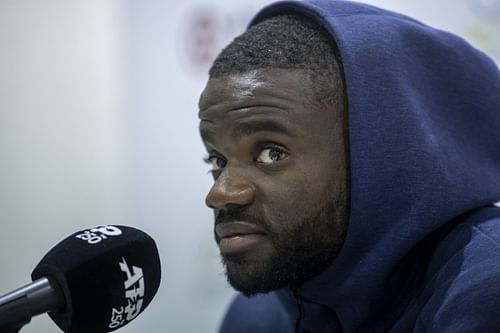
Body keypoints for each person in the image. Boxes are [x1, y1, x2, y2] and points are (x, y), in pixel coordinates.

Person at [197, 0, 500, 332]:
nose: (221, 192)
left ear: (381, 155)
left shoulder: (487, 288)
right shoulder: (257, 314)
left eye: (271, 153)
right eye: (218, 160)